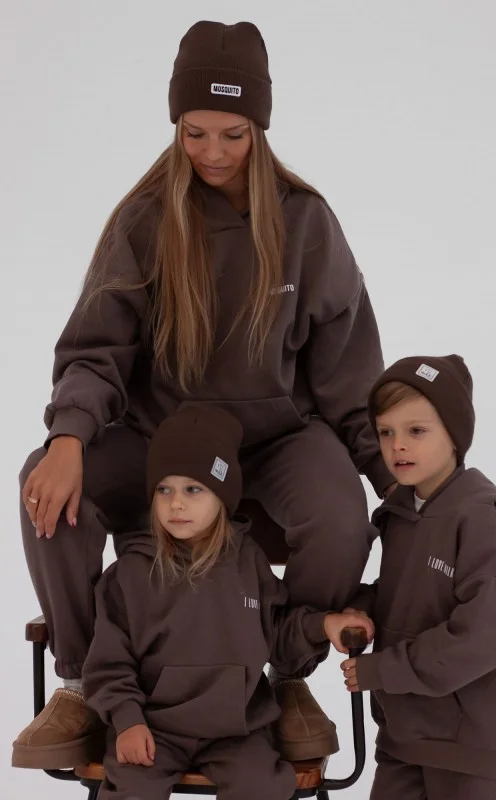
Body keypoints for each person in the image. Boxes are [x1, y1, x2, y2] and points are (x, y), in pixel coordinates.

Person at [13, 20, 392, 769]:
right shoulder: (145, 220)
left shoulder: (306, 222)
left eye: (233, 134)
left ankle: (287, 678)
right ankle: (86, 683)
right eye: (195, 133)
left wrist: (402, 490)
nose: (213, 152)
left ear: (261, 128)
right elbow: (95, 349)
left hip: (273, 440)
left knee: (339, 513)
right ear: (175, 124)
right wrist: (67, 438)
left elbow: (351, 379)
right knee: (47, 488)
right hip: (162, 441)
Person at [81, 405, 374, 800]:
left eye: (193, 489)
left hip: (237, 730)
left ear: (222, 496)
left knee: (264, 786)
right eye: (164, 490)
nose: (176, 503)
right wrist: (127, 720)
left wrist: (323, 624)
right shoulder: (130, 574)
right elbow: (109, 662)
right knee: (131, 789)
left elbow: (276, 631)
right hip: (153, 729)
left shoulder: (247, 562)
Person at [341, 355, 496, 800]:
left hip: (468, 747)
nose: (397, 446)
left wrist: (385, 669)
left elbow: (495, 626)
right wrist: (362, 608)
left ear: (454, 435)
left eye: (416, 431)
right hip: (403, 738)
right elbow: (411, 594)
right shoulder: (400, 514)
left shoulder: (478, 517)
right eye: (385, 432)